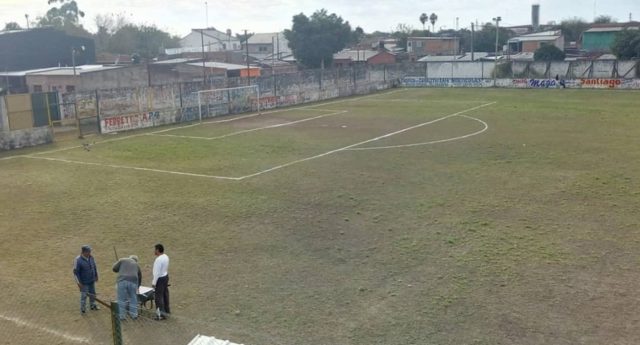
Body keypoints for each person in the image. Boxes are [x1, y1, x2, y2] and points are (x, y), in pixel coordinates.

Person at [112, 255, 142, 320]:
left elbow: (114, 269)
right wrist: (138, 286)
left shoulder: (122, 259)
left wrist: (119, 267)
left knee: (121, 299)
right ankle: (134, 315)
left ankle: (122, 316)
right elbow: (139, 277)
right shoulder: (136, 265)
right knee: (133, 298)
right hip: (133, 282)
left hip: (122, 281)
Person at [73, 245, 99, 314]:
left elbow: (94, 266)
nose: (90, 253)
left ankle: (93, 305)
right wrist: (78, 283)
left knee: (93, 294)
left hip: (91, 280)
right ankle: (83, 309)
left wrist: (96, 275)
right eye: (88, 251)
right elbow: (75, 273)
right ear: (83, 252)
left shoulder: (91, 257)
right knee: (84, 295)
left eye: (90, 251)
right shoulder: (78, 260)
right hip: (84, 282)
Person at [152, 243, 170, 320]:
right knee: (165, 294)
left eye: (155, 249)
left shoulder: (158, 260)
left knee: (158, 297)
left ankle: (161, 315)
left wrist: (154, 282)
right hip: (165, 276)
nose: (154, 251)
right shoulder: (166, 257)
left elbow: (157, 273)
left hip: (160, 279)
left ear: (158, 250)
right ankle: (167, 310)